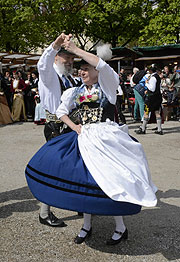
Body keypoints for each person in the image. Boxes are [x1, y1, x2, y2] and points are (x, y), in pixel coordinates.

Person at [25, 34, 157, 245]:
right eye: (69, 61)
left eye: (83, 67)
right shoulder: (65, 85)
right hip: (76, 136)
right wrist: (75, 126)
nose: (77, 68)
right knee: (79, 179)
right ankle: (77, 221)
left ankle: (119, 226)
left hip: (104, 139)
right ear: (57, 59)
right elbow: (59, 107)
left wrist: (77, 50)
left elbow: (104, 69)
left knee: (111, 180)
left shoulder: (101, 86)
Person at [36, 33, 82, 228]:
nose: (70, 61)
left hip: (72, 127)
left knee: (78, 166)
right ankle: (44, 212)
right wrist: (54, 45)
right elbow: (42, 64)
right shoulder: (49, 74)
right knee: (55, 169)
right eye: (67, 57)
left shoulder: (68, 77)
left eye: (72, 58)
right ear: (56, 57)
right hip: (56, 128)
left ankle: (81, 203)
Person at [135, 64, 163, 135]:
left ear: (151, 70)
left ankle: (143, 128)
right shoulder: (158, 77)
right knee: (157, 112)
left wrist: (147, 83)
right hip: (158, 97)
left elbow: (152, 89)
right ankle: (159, 129)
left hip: (151, 97)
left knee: (146, 112)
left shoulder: (153, 78)